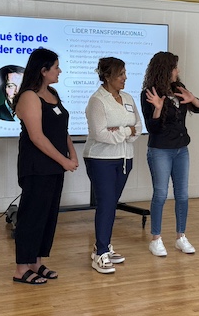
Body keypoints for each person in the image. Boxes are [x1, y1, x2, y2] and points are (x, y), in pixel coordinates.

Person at [12, 48, 78, 285]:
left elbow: (61, 129)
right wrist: (64, 160)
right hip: (37, 166)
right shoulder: (29, 96)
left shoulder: (52, 93)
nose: (60, 71)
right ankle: (21, 268)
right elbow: (37, 137)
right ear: (43, 70)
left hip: (55, 166)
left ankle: (35, 262)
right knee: (31, 216)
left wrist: (72, 152)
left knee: (48, 216)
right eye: (56, 67)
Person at [141, 51, 199, 257]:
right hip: (160, 150)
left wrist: (193, 99)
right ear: (165, 69)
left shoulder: (179, 89)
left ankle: (181, 237)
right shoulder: (149, 93)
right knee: (160, 194)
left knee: (182, 195)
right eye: (175, 67)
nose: (178, 71)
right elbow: (152, 128)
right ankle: (156, 239)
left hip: (181, 149)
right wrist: (158, 108)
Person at [84, 57, 142, 274]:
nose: (125, 78)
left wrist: (120, 131)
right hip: (101, 160)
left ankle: (104, 245)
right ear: (107, 76)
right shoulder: (97, 101)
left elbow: (138, 125)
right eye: (120, 74)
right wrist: (127, 131)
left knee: (111, 204)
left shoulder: (127, 97)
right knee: (106, 204)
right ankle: (100, 253)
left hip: (125, 158)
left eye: (125, 73)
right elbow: (99, 135)